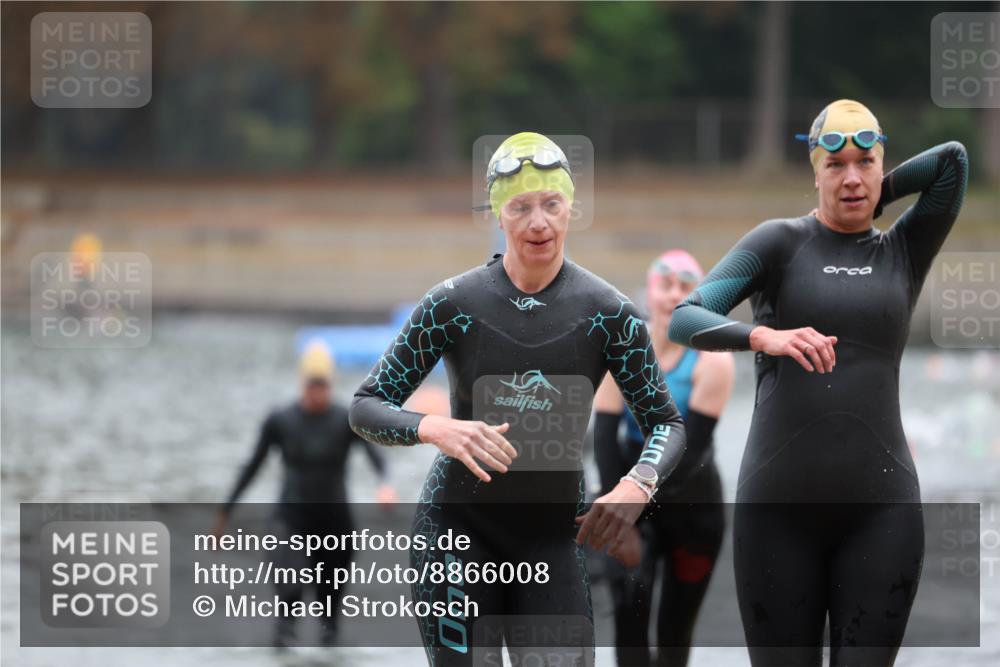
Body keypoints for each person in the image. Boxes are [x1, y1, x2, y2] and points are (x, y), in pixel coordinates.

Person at [349, 132, 688, 666]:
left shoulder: (609, 314)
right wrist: (434, 428)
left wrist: (637, 485)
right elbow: (366, 406)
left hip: (552, 541)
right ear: (497, 215)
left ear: (570, 209)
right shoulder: (452, 304)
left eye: (551, 205)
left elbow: (667, 424)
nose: (539, 222)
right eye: (521, 207)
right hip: (456, 534)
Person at [668, 99, 969, 666]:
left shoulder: (904, 248)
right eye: (835, 166)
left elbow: (952, 162)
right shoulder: (777, 244)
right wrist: (764, 338)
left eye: (865, 162)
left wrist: (877, 189)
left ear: (882, 166)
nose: (851, 177)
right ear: (814, 171)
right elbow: (688, 317)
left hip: (881, 515)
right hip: (778, 514)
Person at [593, 250, 734, 666]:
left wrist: (633, 502)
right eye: (666, 284)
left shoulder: (713, 361)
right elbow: (603, 437)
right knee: (628, 620)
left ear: (700, 300)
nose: (674, 294)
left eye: (686, 287)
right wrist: (619, 517)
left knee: (675, 631)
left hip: (692, 502)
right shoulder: (622, 351)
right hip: (629, 488)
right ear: (649, 291)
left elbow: (690, 450)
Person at [214, 340, 397, 647]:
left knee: (330, 617)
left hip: (336, 526)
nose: (317, 391)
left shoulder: (347, 419)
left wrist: (386, 484)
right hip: (290, 520)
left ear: (331, 383)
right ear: (302, 384)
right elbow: (252, 467)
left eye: (323, 384)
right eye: (312, 384)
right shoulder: (281, 420)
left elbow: (376, 455)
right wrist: (224, 513)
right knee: (290, 596)